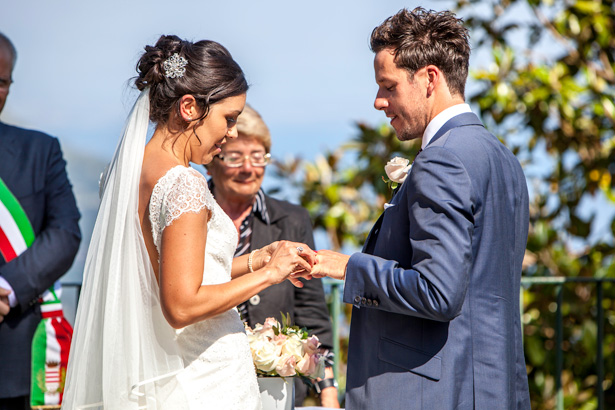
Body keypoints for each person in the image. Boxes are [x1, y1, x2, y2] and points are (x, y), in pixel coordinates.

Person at [62, 35, 315, 409]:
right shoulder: (184, 183)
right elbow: (181, 305)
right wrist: (270, 275)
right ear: (189, 107)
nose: (231, 134)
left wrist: (255, 260)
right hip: (205, 377)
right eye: (228, 119)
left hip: (163, 371)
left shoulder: (125, 173)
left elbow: (170, 273)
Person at [311, 8, 531, 410]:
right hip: (494, 390)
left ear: (429, 78)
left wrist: (349, 267)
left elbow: (438, 291)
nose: (378, 102)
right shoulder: (502, 159)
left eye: (388, 86)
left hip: (430, 395)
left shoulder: (442, 158)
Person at [206, 104, 340, 407]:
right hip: (209, 378)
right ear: (211, 161)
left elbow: (313, 314)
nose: (248, 168)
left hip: (275, 390)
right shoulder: (193, 215)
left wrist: (328, 392)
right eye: (235, 156)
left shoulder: (292, 220)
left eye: (258, 157)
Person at [0, 32, 81, 410]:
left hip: (16, 352)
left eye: (1, 82)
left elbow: (64, 233)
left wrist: (6, 286)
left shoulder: (40, 150)